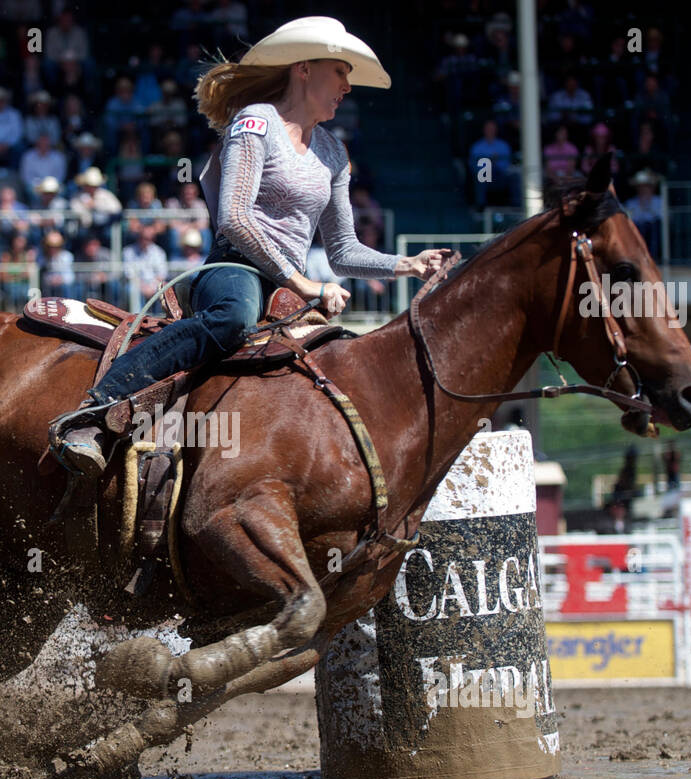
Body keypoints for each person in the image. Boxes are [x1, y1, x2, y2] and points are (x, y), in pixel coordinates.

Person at [50, 16, 448, 478]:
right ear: (303, 68)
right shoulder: (255, 121)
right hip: (234, 269)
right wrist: (302, 281)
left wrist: (407, 264)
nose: (347, 85)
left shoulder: (334, 153)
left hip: (290, 288)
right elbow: (235, 219)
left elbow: (342, 251)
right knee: (233, 317)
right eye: (339, 71)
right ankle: (97, 409)